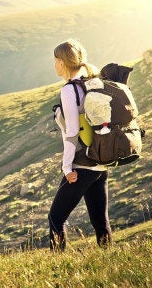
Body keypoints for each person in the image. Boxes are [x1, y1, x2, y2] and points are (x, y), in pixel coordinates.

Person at [48, 39, 112, 251]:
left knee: (56, 217)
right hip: (100, 163)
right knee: (100, 221)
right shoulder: (93, 83)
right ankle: (109, 259)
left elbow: (72, 132)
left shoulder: (69, 90)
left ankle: (58, 264)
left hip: (81, 165)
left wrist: (67, 168)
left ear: (63, 62)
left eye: (56, 59)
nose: (54, 64)